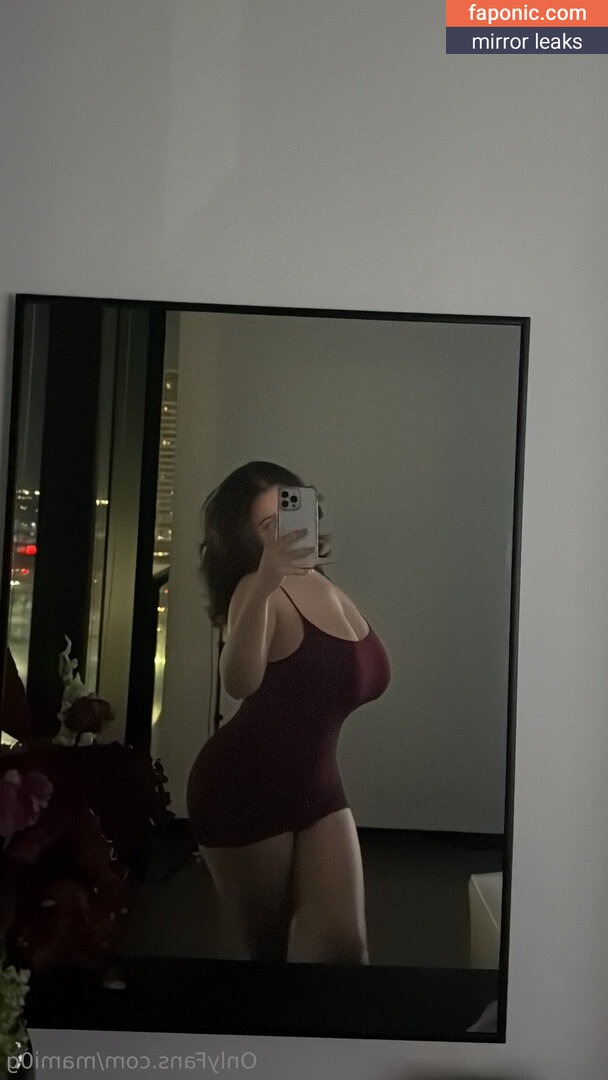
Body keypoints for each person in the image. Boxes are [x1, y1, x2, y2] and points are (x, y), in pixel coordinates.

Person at [187, 462, 391, 964]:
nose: (285, 530)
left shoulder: (324, 585)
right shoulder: (255, 591)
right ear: (247, 539)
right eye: (268, 525)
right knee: (271, 959)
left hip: (318, 787)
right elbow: (238, 682)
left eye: (290, 511)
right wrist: (264, 582)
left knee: (345, 951)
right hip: (244, 786)